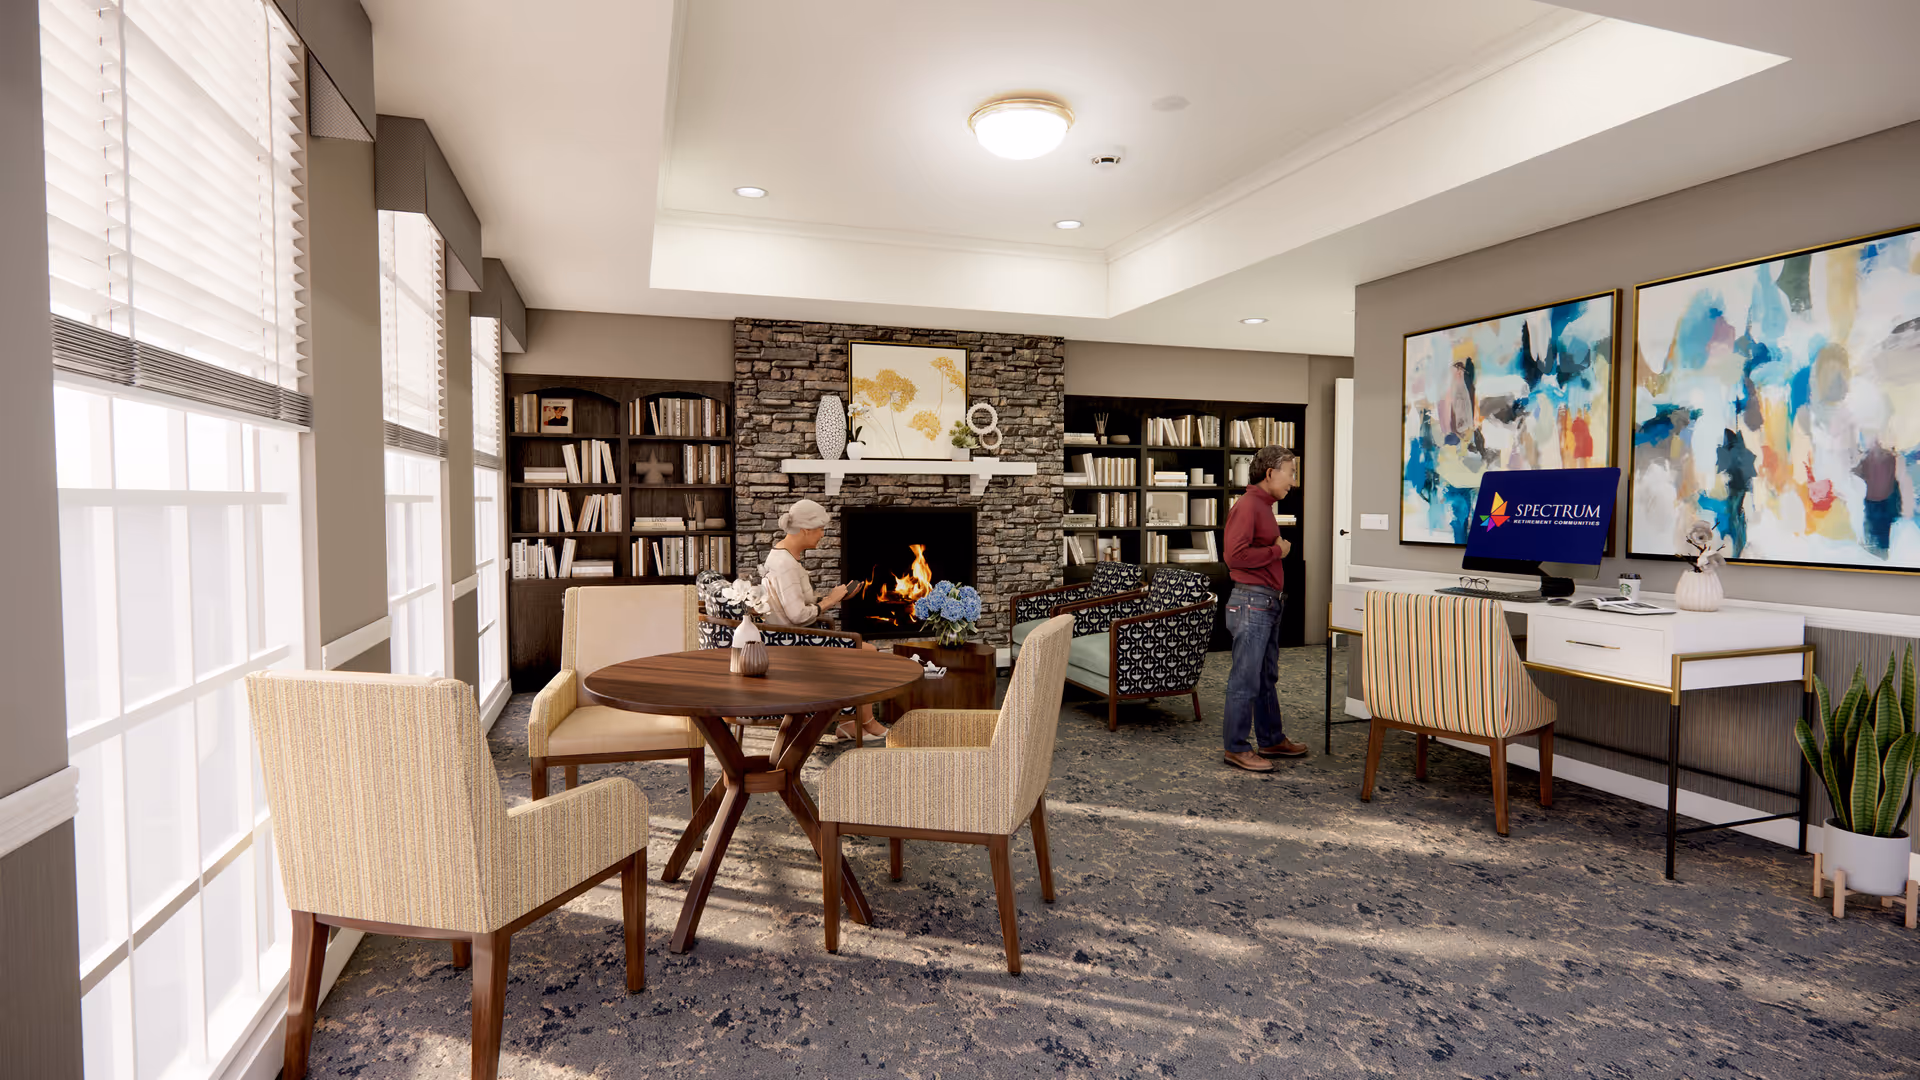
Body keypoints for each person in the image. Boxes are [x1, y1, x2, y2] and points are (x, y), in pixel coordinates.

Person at [762, 498, 888, 739]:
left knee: (862, 648)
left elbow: (795, 603)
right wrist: (830, 601)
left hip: (795, 637)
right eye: (820, 529)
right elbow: (798, 615)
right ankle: (865, 722)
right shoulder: (786, 565)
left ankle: (851, 724)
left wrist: (832, 596)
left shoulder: (782, 555)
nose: (822, 534)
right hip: (795, 643)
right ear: (805, 530)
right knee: (868, 652)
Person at [1220, 445, 1308, 772]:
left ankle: (1271, 738)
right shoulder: (1248, 506)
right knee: (1245, 678)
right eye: (1291, 473)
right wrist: (1276, 551)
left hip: (1265, 602)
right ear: (1270, 473)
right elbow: (1234, 557)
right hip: (1252, 603)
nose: (1293, 482)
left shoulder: (1263, 506)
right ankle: (1236, 748)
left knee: (1265, 676)